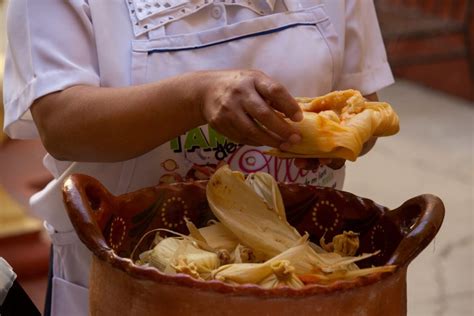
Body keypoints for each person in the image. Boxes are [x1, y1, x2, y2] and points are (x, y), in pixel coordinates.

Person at [3, 0, 394, 315]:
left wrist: (328, 140)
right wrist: (196, 97)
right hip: (129, 285)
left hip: (302, 279)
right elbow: (61, 124)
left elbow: (363, 106)